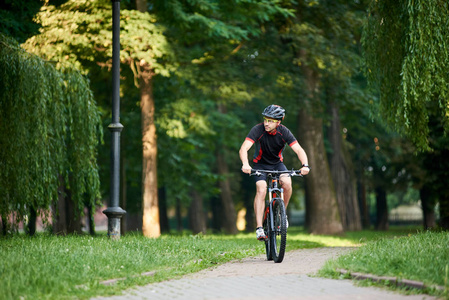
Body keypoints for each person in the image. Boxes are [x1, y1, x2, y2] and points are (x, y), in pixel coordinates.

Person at [239, 104, 310, 240]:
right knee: (261, 189)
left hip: (278, 164)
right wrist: (245, 164)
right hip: (260, 165)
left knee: (287, 183)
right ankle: (259, 228)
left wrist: (305, 165)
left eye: (270, 121)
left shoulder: (284, 132)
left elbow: (299, 150)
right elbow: (244, 149)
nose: (266, 123)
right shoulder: (257, 130)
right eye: (265, 120)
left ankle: (282, 215)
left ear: (278, 122)